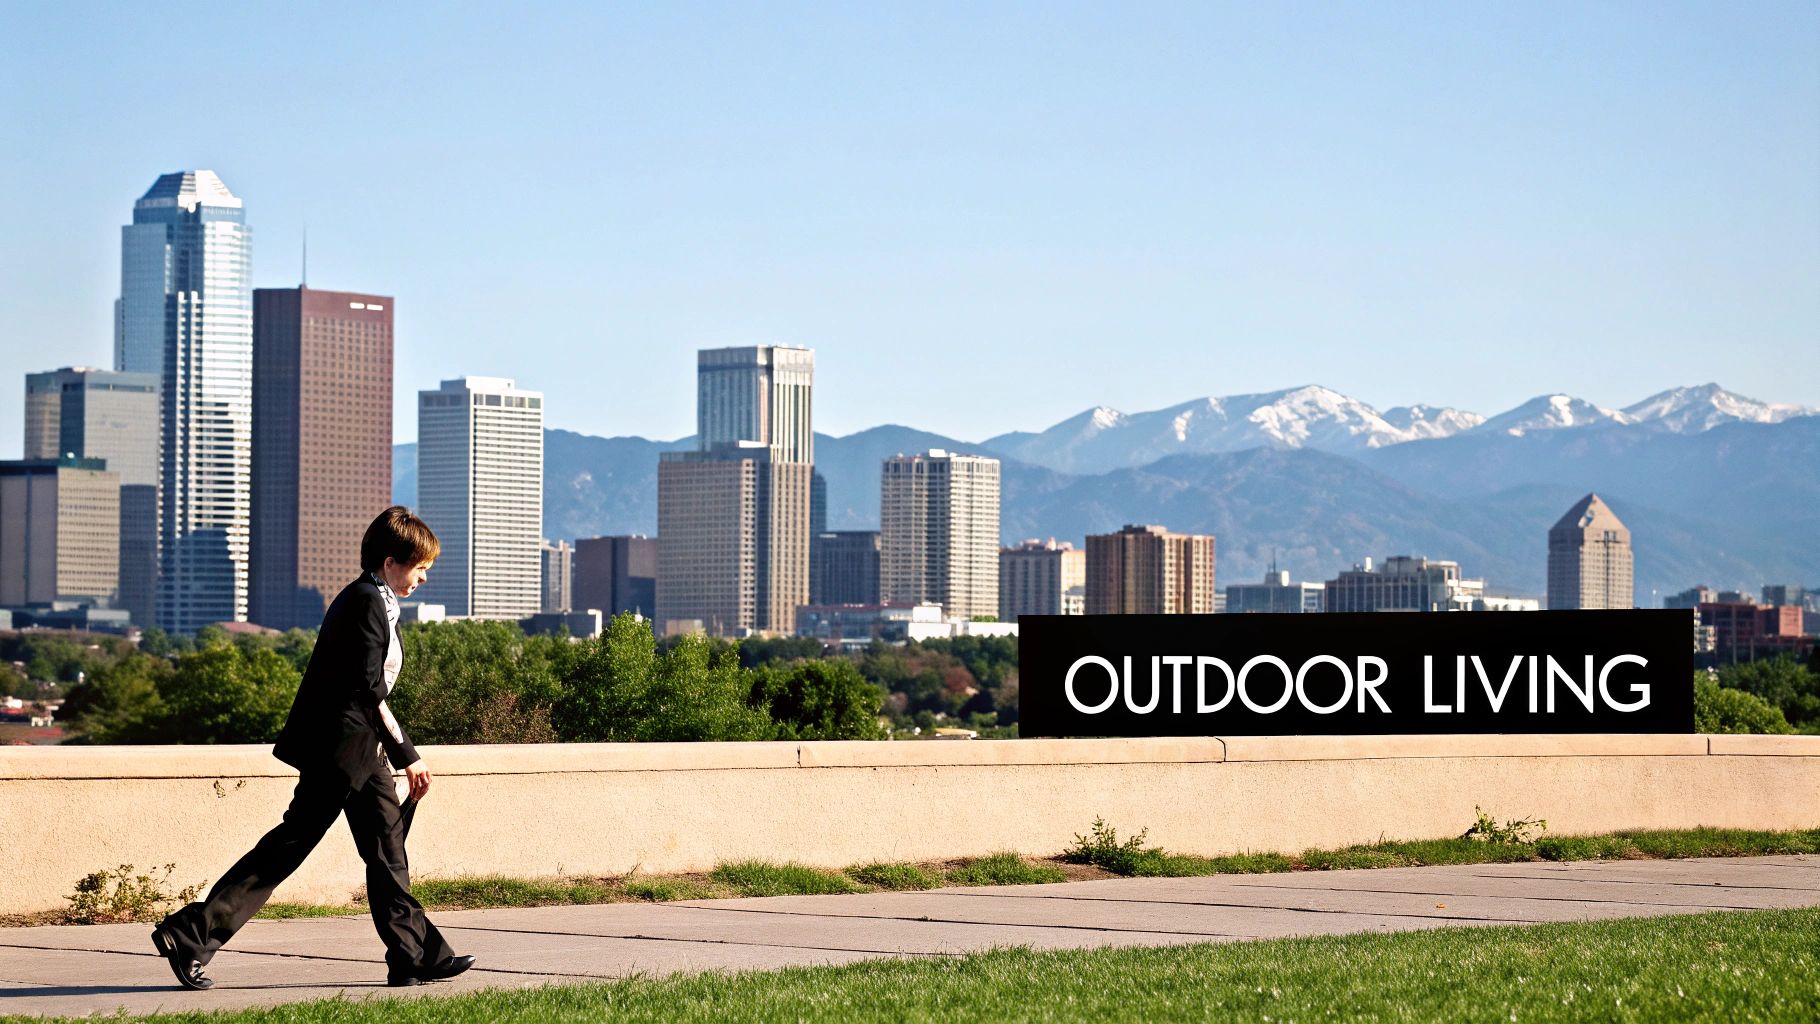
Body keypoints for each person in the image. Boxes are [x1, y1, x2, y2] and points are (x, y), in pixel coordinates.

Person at [151, 507, 476, 990]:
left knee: (387, 853)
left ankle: (414, 955)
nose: (425, 577)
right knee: (290, 847)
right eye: (419, 566)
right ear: (390, 562)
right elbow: (369, 690)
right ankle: (190, 933)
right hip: (341, 752)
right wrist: (409, 755)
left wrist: (391, 755)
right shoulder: (365, 601)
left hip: (361, 752)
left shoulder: (376, 600)